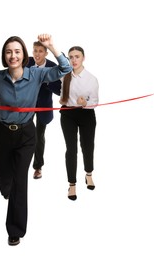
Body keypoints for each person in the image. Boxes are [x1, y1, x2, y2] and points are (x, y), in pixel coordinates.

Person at [0, 34, 72, 246]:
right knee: (0, 172)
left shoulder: (36, 74)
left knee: (20, 179)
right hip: (2, 132)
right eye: (9, 51)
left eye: (17, 51)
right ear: (4, 55)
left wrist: (51, 47)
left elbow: (65, 69)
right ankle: (7, 188)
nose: (13, 55)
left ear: (24, 55)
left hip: (26, 135)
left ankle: (15, 230)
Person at [59, 46, 99, 201]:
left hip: (86, 114)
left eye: (77, 56)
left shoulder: (91, 79)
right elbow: (63, 96)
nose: (74, 60)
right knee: (71, 149)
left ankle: (89, 174)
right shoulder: (65, 76)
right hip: (68, 114)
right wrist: (62, 100)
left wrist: (85, 103)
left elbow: (94, 101)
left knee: (87, 146)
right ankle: (72, 184)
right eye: (71, 57)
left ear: (83, 58)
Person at [26, 41, 62, 179]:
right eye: (35, 50)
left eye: (40, 51)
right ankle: (21, 163)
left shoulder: (53, 67)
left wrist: (47, 82)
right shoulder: (27, 62)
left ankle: (37, 166)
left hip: (43, 106)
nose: (37, 54)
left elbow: (59, 90)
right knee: (24, 133)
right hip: (27, 105)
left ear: (46, 53)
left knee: (38, 135)